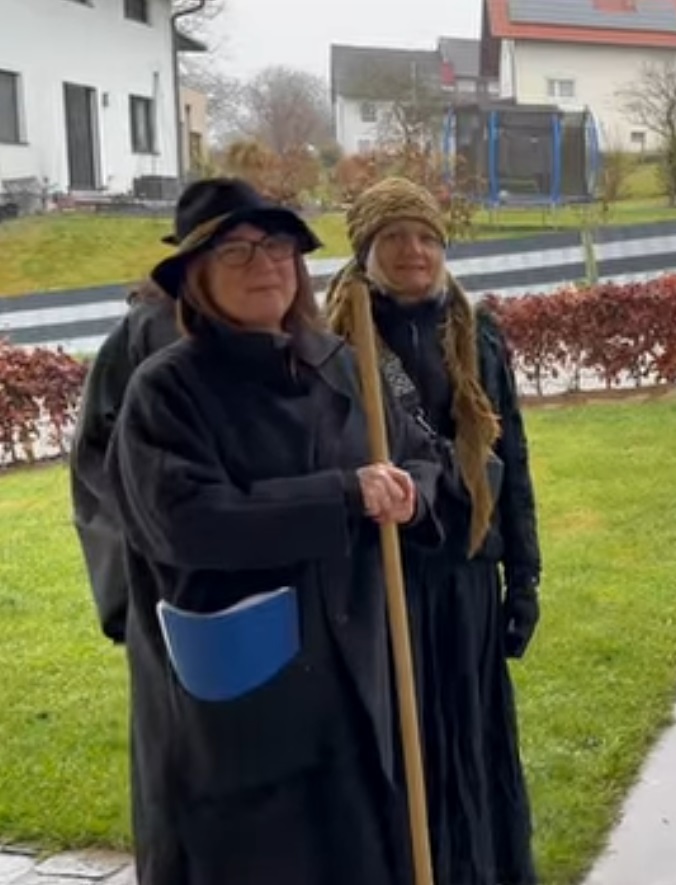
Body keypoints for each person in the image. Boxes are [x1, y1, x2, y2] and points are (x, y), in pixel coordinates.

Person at [105, 179, 447, 885]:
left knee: (353, 855)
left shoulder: (339, 365)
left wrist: (410, 494)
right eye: (237, 250)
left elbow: (420, 455)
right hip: (242, 711)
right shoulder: (167, 389)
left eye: (279, 246)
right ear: (196, 277)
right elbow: (187, 521)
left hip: (349, 687)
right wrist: (345, 494)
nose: (265, 263)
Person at [323, 176, 542, 885]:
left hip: (466, 574)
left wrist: (524, 576)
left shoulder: (477, 332)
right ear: (366, 250)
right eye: (394, 237)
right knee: (402, 739)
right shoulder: (337, 339)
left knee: (471, 738)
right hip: (386, 577)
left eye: (426, 237)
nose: (413, 251)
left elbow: (511, 457)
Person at [70, 179, 247, 643]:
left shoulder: (260, 330)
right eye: (233, 251)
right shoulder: (156, 334)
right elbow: (105, 455)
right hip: (169, 556)